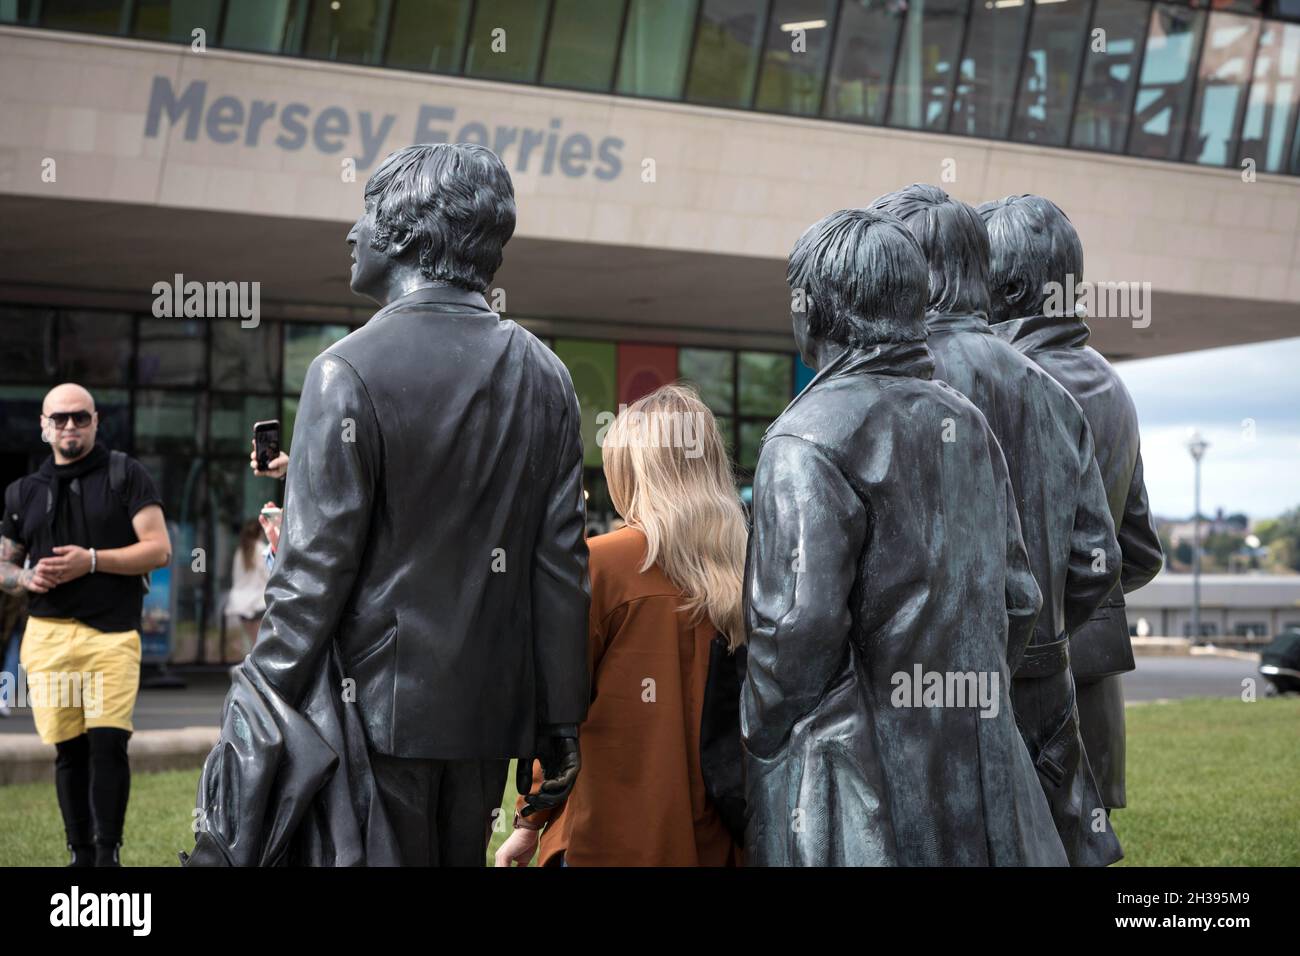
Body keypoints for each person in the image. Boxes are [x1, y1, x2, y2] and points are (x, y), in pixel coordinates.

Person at [189, 143, 590, 867]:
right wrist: (560, 717)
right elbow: (560, 567)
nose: (353, 232)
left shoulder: (344, 370)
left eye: (367, 213)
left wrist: (257, 696)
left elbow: (313, 577)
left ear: (405, 233)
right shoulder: (547, 374)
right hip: (485, 715)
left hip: (370, 713)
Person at [742, 208, 1066, 866]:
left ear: (818, 309)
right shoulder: (966, 420)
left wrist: (750, 737)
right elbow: (1019, 596)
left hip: (861, 781)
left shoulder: (807, 436)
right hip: (978, 763)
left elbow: (794, 639)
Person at [869, 184, 1122, 865]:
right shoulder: (1051, 388)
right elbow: (1098, 555)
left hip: (924, 697)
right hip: (1044, 686)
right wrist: (1042, 637)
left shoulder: (893, 384)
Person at [496, 384, 747, 867]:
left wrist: (530, 821)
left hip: (604, 839)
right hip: (720, 844)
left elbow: (556, 716)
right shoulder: (752, 571)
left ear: (632, 472)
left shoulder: (599, 567)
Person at [980, 194, 1164, 812]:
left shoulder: (1001, 386)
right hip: (1095, 688)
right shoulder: (1113, 385)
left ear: (1004, 288)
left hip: (1020, 690)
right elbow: (1136, 552)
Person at [0, 383, 171, 867]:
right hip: (48, 636)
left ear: (96, 421)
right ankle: (79, 855)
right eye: (59, 419)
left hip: (111, 635)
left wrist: (91, 561)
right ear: (43, 425)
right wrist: (27, 575)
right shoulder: (22, 492)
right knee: (69, 751)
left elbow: (158, 549)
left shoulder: (125, 474)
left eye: (79, 418)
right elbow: (5, 566)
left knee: (109, 744)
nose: (69, 426)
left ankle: (107, 855)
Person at [225, 520, 269, 661]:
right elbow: (268, 575)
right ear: (260, 533)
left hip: (240, 602)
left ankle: (249, 670)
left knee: (251, 643)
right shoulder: (262, 549)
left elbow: (235, 577)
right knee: (259, 643)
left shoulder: (240, 551)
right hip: (258, 602)